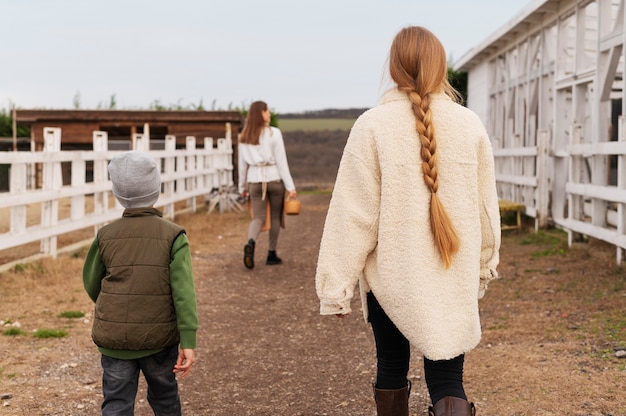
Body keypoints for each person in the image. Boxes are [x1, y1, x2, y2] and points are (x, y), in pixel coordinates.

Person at [315, 26, 500, 416]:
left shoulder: (372, 125)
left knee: (392, 366)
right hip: (452, 272)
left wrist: (337, 286)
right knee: (449, 380)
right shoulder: (470, 125)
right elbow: (486, 208)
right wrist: (483, 266)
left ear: (396, 67)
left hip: (392, 278)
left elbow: (353, 213)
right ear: (440, 66)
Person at [83, 150, 198, 416]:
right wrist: (188, 340)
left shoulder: (105, 235)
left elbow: (91, 282)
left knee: (116, 402)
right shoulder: (173, 235)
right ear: (156, 188)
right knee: (165, 398)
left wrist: (115, 305)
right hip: (158, 339)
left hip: (115, 340)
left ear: (118, 193)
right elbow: (183, 292)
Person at [238, 100, 297, 269]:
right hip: (274, 178)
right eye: (267, 111)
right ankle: (271, 253)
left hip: (254, 180)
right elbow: (281, 162)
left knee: (258, 217)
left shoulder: (244, 136)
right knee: (276, 217)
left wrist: (242, 188)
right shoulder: (274, 134)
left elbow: (242, 166)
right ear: (261, 113)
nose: (269, 114)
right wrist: (291, 187)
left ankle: (251, 242)